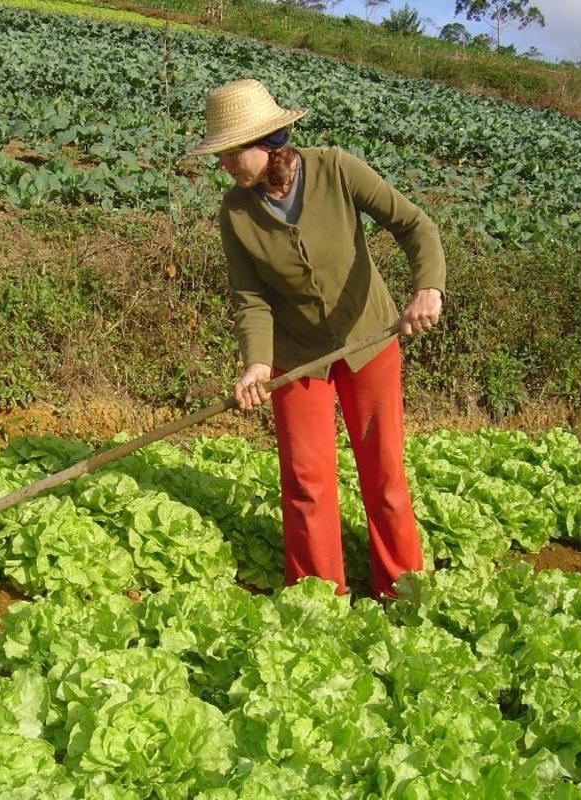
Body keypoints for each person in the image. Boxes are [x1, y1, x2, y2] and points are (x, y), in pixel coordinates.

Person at [189, 78, 447, 600]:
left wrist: (428, 288)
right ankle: (317, 599)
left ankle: (401, 590)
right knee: (306, 481)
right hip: (296, 355)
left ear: (266, 143)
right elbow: (250, 296)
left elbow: (415, 225)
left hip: (370, 338)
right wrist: (258, 365)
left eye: (229, 153)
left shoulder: (335, 168)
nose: (223, 165)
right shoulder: (235, 212)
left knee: (384, 474)